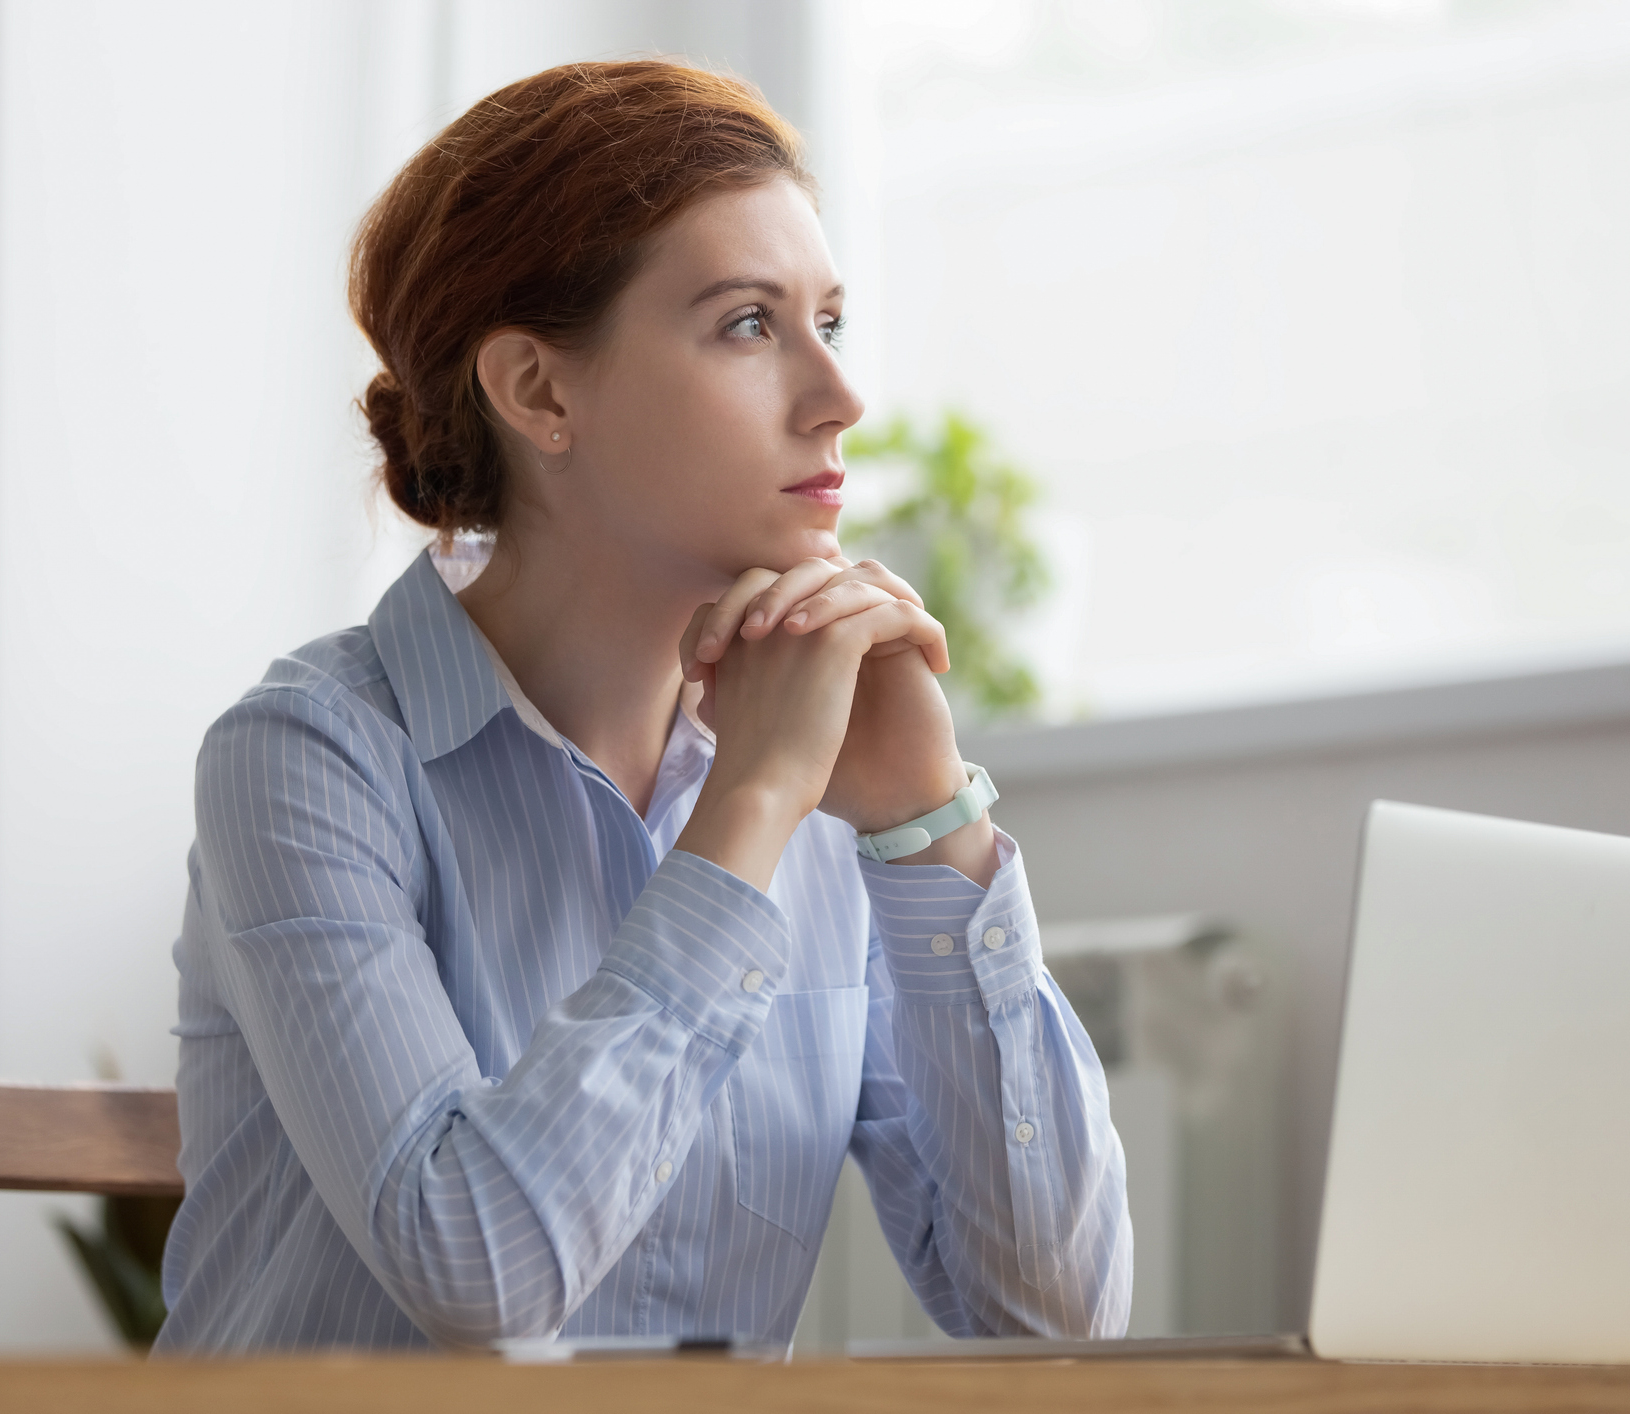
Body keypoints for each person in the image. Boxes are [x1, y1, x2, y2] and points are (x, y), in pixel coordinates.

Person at [155, 59, 1131, 1354]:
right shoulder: (305, 756)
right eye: (746, 323)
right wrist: (754, 803)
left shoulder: (831, 770)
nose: (838, 397)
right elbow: (477, 1272)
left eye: (826, 323)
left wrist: (925, 824)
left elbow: (1052, 1318)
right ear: (540, 392)